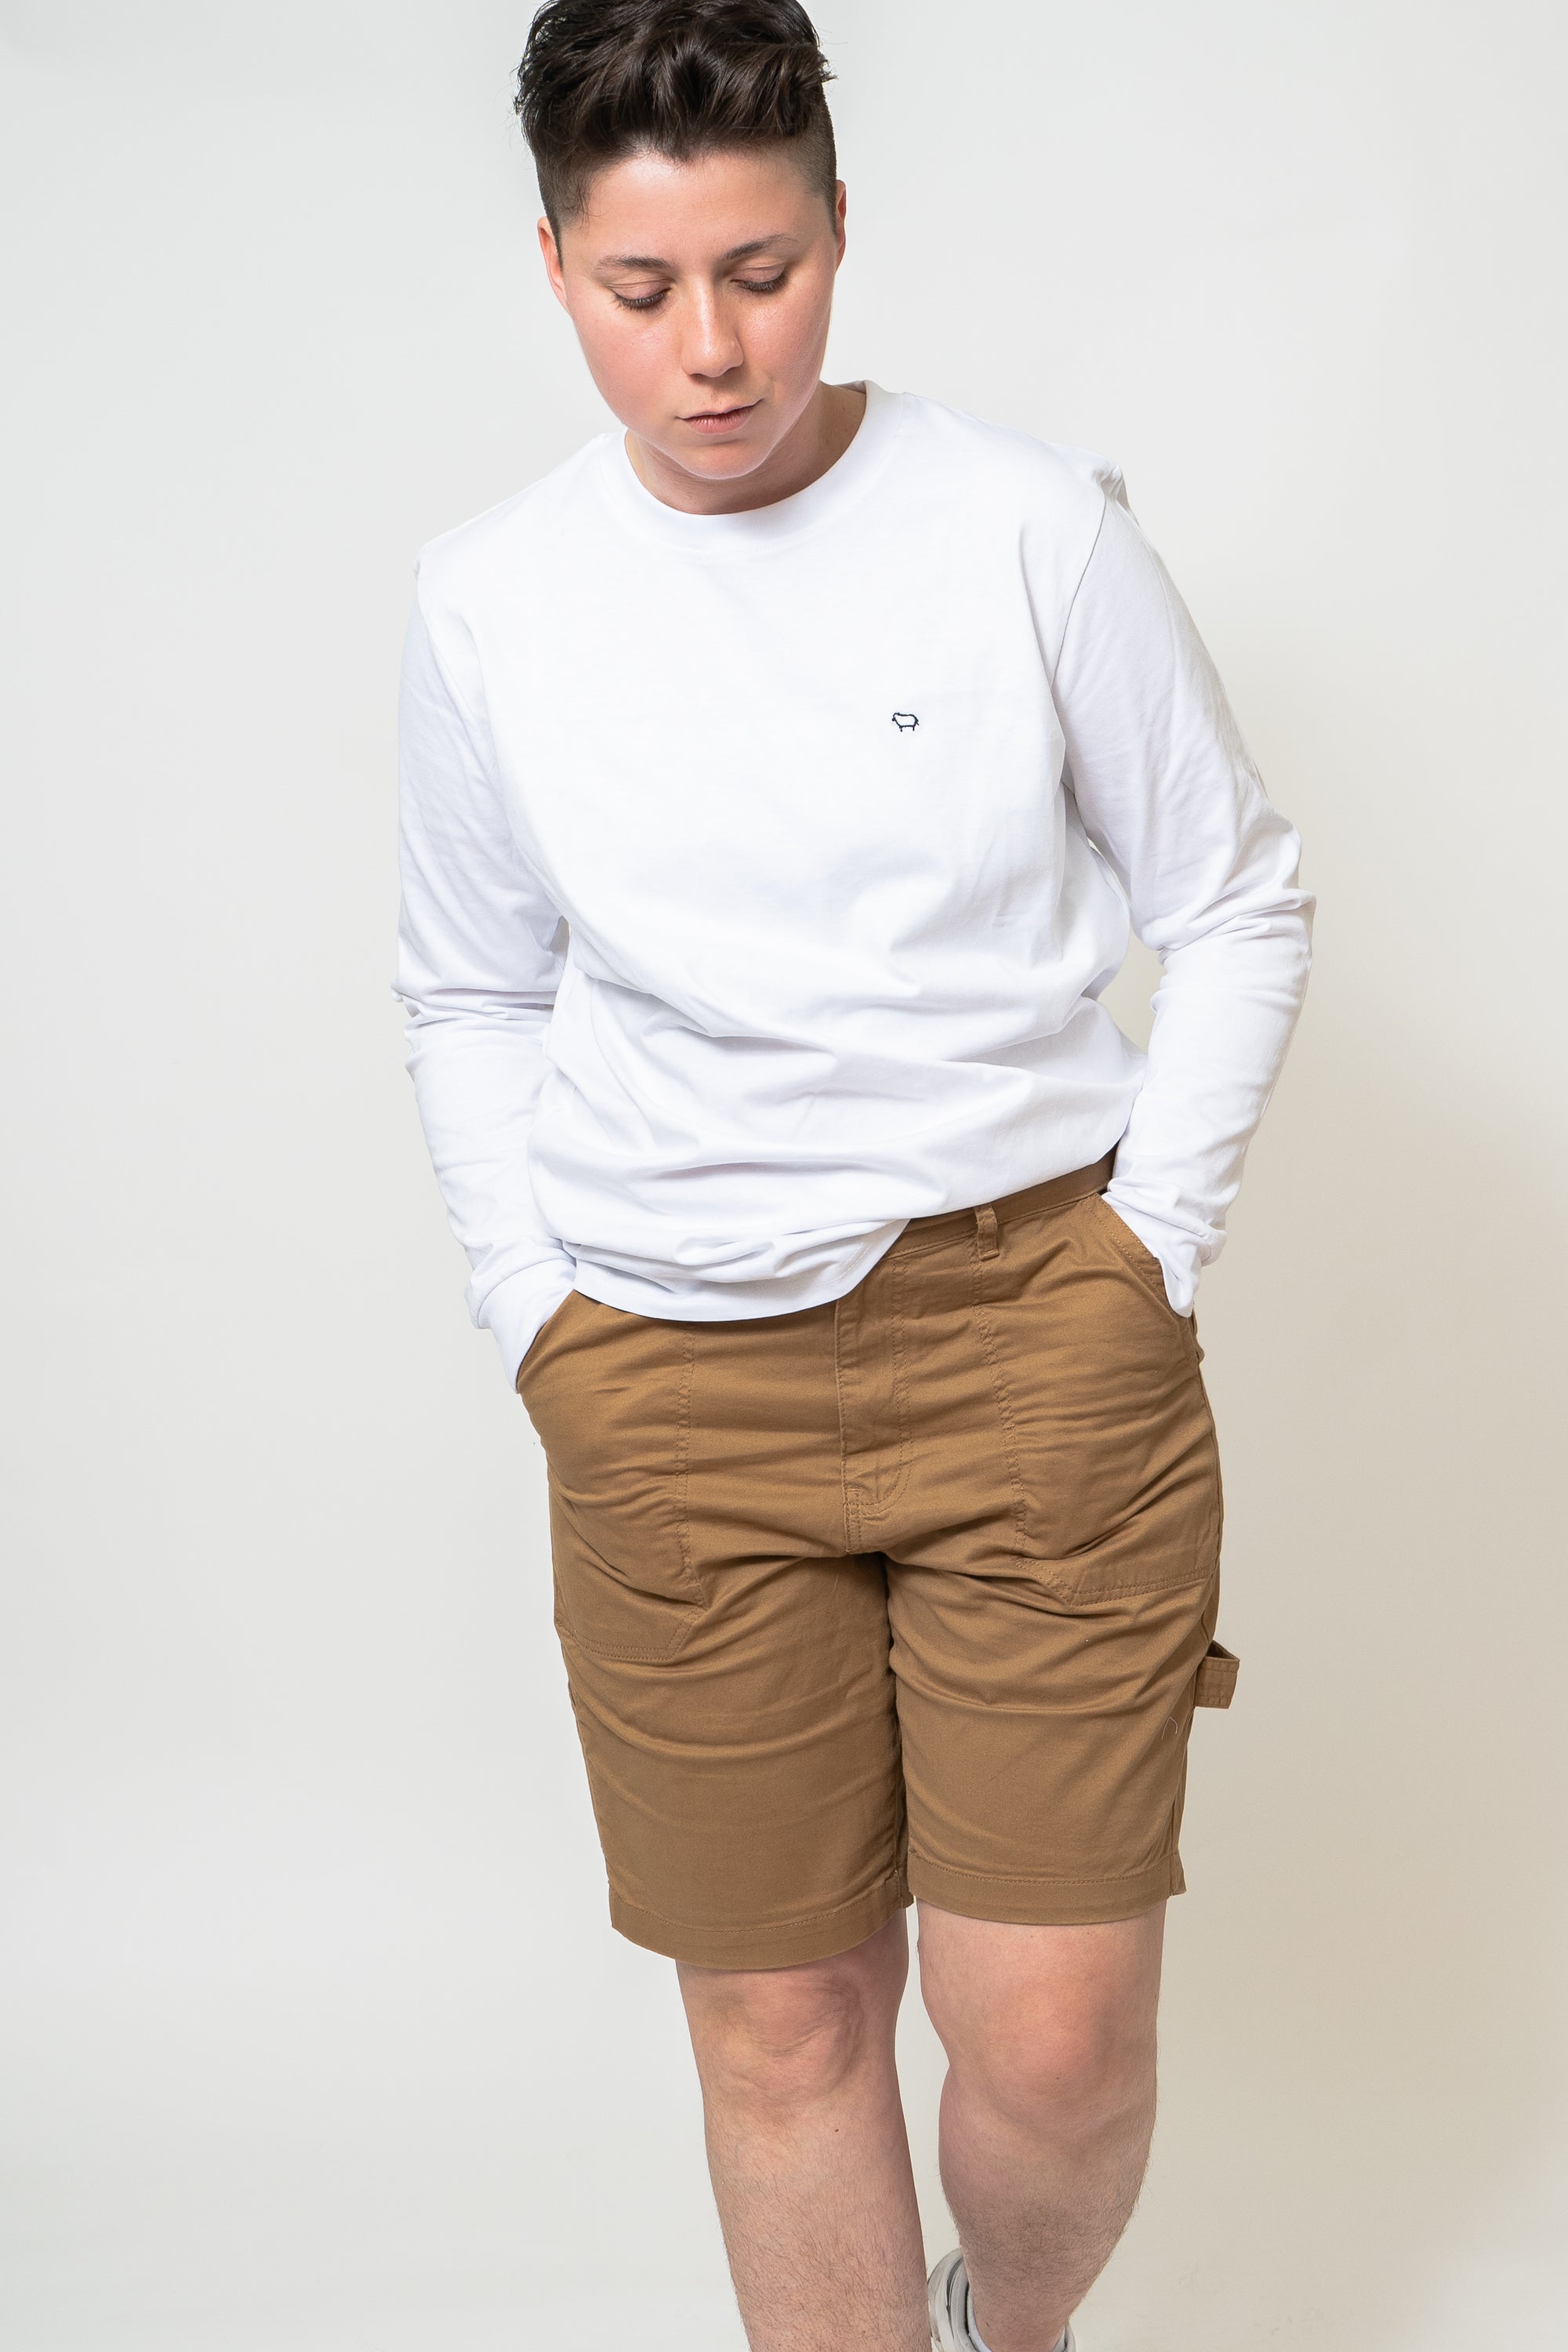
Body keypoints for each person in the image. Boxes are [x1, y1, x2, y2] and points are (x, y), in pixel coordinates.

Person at [394, 4, 1312, 2346]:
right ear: (556, 266)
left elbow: (1233, 900)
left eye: (763, 272)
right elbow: (471, 990)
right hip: (666, 1371)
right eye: (642, 290)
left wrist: (1146, 1258)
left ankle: (1013, 2327)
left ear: (837, 232)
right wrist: (541, 1323)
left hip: (1033, 1337)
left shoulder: (1025, 525)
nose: (712, 350)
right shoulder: (493, 601)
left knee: (1053, 2045)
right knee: (782, 2025)